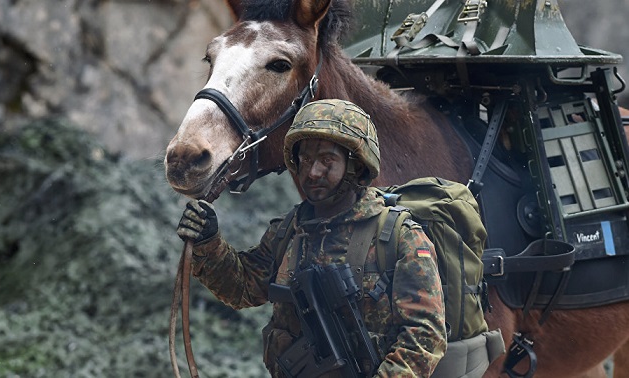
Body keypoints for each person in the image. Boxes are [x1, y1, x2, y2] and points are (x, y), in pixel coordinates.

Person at [177, 99, 447, 377]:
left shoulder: (399, 238)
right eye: (305, 160)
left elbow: (425, 335)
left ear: (357, 165)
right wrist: (208, 243)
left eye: (327, 161)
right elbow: (243, 288)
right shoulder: (289, 231)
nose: (313, 172)